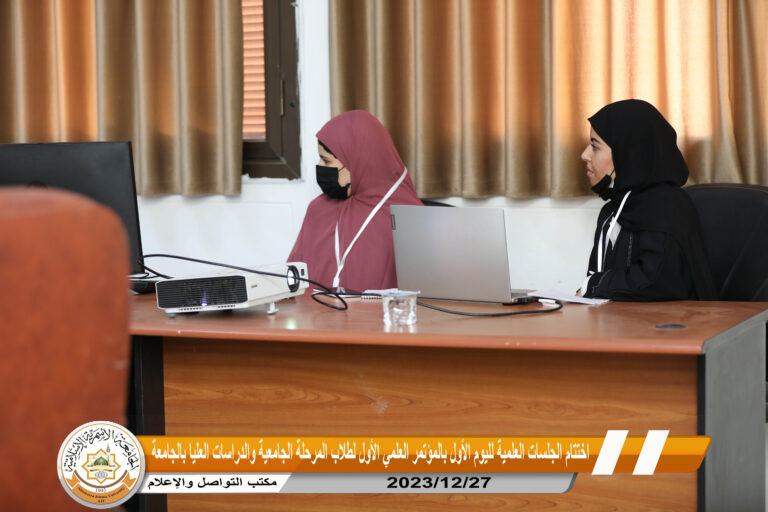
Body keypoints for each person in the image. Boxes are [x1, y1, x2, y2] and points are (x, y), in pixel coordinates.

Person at [579, 99, 716, 301]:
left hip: (674, 320)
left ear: (627, 152)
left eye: (595, 147)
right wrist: (591, 288)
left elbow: (655, 282)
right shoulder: (612, 210)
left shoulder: (665, 206)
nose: (585, 155)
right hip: (621, 318)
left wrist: (592, 286)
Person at [288, 110, 422, 292]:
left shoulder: (406, 218)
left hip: (382, 310)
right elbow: (293, 281)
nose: (320, 167)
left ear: (359, 162)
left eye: (326, 161)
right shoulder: (318, 210)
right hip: (317, 309)